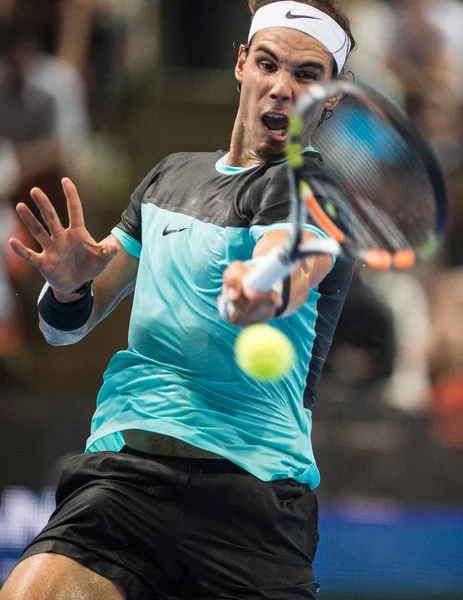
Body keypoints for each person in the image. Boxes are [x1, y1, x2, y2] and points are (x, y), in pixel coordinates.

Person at [1, 1, 356, 599]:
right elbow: (66, 327)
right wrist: (69, 284)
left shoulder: (311, 188)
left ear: (330, 99)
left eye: (306, 75)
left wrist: (265, 287)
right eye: (267, 63)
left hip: (250, 498)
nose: (281, 88)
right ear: (241, 64)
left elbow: (294, 255)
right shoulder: (169, 178)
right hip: (127, 475)